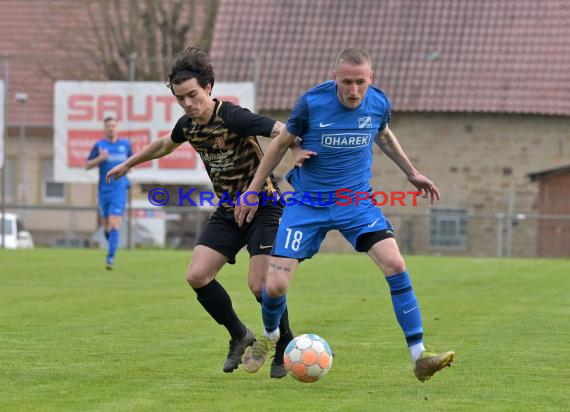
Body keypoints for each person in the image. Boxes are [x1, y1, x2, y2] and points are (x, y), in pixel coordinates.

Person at [235, 48, 455, 382]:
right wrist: (253, 190)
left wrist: (411, 172)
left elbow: (382, 133)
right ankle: (270, 336)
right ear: (334, 76)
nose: (354, 90)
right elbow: (281, 143)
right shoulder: (311, 103)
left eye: (361, 82)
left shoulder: (379, 103)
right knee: (275, 286)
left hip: (355, 203)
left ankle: (419, 355)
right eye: (347, 82)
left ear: (371, 78)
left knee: (395, 264)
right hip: (307, 203)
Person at [106, 47, 297, 378]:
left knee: (259, 286)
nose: (188, 104)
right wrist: (128, 163)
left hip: (264, 207)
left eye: (192, 95)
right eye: (181, 99)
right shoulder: (189, 125)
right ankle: (240, 335)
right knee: (197, 276)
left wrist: (297, 148)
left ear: (208, 87)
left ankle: (284, 344)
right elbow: (165, 144)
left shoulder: (233, 116)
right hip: (227, 211)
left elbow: (281, 130)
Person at [86, 117, 133, 270]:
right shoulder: (99, 146)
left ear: (117, 128)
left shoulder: (125, 145)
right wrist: (100, 158)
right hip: (103, 191)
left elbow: (132, 162)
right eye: (108, 126)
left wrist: (129, 167)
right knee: (106, 226)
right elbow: (87, 165)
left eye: (113, 126)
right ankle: (110, 241)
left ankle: (110, 258)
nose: (111, 128)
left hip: (119, 190)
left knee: (114, 223)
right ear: (104, 129)